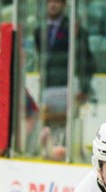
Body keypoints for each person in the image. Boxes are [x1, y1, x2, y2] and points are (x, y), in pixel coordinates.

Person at [34, 0, 95, 160]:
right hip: (48, 86)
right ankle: (48, 157)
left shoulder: (75, 29)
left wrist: (84, 87)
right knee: (47, 125)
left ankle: (67, 157)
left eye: (57, 1)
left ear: (64, 5)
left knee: (68, 125)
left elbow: (85, 60)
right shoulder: (39, 30)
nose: (53, 5)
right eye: (49, 1)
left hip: (68, 85)